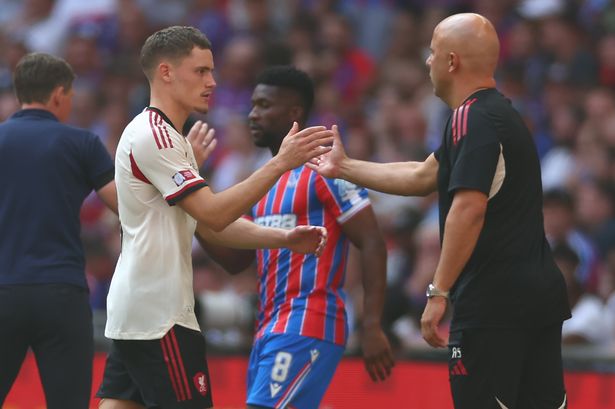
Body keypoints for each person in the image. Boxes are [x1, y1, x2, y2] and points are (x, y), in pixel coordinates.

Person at [308, 13, 571, 409]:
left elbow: (467, 209)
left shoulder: (471, 117)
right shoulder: (497, 114)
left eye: (432, 53)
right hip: (536, 297)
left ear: (452, 62)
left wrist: (439, 291)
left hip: (493, 303)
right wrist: (344, 167)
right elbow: (421, 175)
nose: (427, 62)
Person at [96, 26, 333, 409]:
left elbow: (208, 226)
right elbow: (214, 213)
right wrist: (280, 163)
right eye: (201, 71)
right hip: (160, 316)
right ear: (166, 72)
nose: (212, 81)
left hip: (140, 309)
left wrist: (284, 239)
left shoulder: (167, 137)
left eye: (212, 71)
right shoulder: (156, 136)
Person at [198, 66, 394, 409]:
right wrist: (190, 211)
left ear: (294, 113)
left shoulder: (326, 167)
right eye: (252, 104)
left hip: (308, 321)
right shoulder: (263, 179)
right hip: (269, 327)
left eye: (263, 105)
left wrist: (373, 324)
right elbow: (237, 259)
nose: (252, 114)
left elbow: (372, 240)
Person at [0, 53, 118, 409]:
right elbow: (129, 209)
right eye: (69, 96)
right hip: (61, 292)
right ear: (57, 95)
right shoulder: (83, 144)